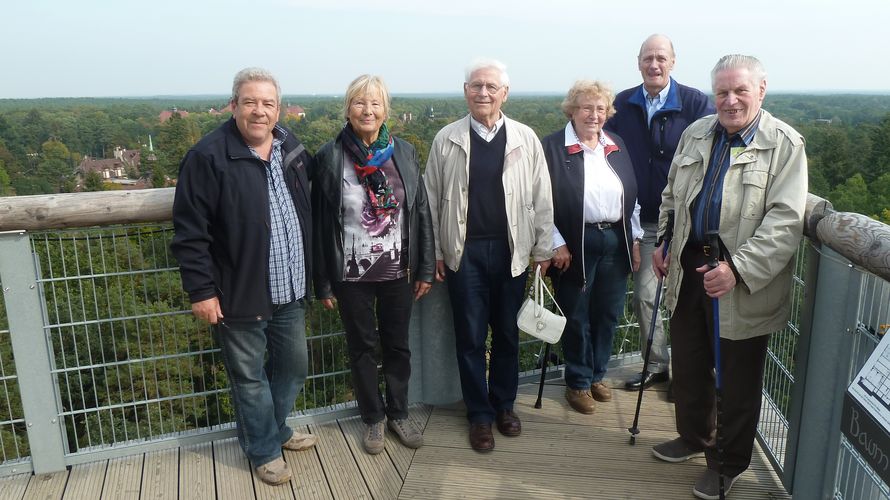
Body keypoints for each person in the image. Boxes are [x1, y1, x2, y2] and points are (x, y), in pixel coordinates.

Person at [651, 55, 807, 499]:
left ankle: (727, 463)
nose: (730, 100)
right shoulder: (696, 133)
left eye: (740, 90)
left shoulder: (784, 144)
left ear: (761, 89)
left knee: (737, 380)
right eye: (722, 92)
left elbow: (785, 221)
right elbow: (671, 195)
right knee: (690, 361)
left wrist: (737, 270)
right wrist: (664, 240)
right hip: (688, 266)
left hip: (739, 277)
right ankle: (693, 436)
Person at [171, 68, 317, 486]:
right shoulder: (208, 156)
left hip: (289, 287)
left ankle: (274, 431)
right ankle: (265, 450)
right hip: (238, 291)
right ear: (234, 105)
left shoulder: (290, 145)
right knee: (249, 378)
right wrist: (201, 291)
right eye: (250, 102)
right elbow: (190, 231)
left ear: (278, 109)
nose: (259, 111)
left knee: (293, 368)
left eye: (268, 103)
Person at [424, 59, 553, 452]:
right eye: (476, 85)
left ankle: (504, 407)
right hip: (465, 253)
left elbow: (541, 196)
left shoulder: (525, 138)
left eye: (491, 86)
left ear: (505, 93)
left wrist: (542, 249)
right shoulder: (446, 139)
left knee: (509, 334)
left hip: (512, 252)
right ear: (465, 91)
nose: (483, 92)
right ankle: (479, 415)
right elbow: (429, 201)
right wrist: (437, 253)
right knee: (470, 337)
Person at [312, 75, 434, 455]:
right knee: (362, 347)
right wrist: (323, 282)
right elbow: (319, 225)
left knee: (397, 345)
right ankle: (372, 419)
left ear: (386, 111)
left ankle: (398, 413)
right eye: (360, 103)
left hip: (398, 269)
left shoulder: (405, 153)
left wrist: (426, 267)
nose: (368, 111)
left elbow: (421, 210)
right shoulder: (330, 157)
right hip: (351, 274)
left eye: (376, 104)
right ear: (348, 108)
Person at [604, 34, 715, 393]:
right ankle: (656, 365)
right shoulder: (622, 104)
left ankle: (688, 376)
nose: (655, 64)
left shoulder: (697, 103)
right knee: (646, 297)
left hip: (687, 222)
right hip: (642, 222)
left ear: (673, 61)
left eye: (661, 58)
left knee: (686, 300)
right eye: (648, 58)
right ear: (639, 63)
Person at [542, 80, 643, 415]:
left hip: (616, 239)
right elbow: (539, 201)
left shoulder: (616, 144)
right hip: (575, 243)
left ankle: (599, 374)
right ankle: (578, 381)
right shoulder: (553, 148)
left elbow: (632, 197)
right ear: (572, 110)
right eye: (587, 107)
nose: (594, 115)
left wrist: (636, 238)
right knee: (577, 314)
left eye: (601, 108)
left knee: (608, 312)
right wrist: (556, 242)